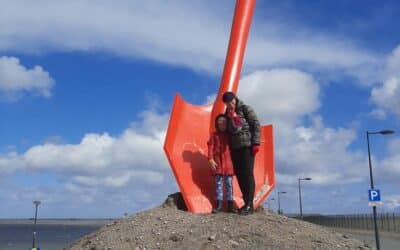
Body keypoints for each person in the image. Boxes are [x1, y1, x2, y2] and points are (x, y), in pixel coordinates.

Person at [222, 91, 260, 215]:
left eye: (231, 101)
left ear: (235, 99)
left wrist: (256, 143)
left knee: (247, 174)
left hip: (247, 146)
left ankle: (250, 205)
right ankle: (246, 203)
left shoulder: (245, 109)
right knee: (239, 175)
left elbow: (256, 124)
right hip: (235, 148)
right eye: (227, 103)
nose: (230, 104)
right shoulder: (226, 114)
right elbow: (226, 131)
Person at [207, 114, 237, 213]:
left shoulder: (230, 135)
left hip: (228, 163)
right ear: (217, 124)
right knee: (218, 183)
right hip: (218, 162)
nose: (222, 125)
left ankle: (230, 205)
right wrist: (210, 159)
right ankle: (219, 205)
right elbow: (210, 147)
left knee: (229, 183)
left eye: (224, 123)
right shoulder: (214, 135)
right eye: (220, 123)